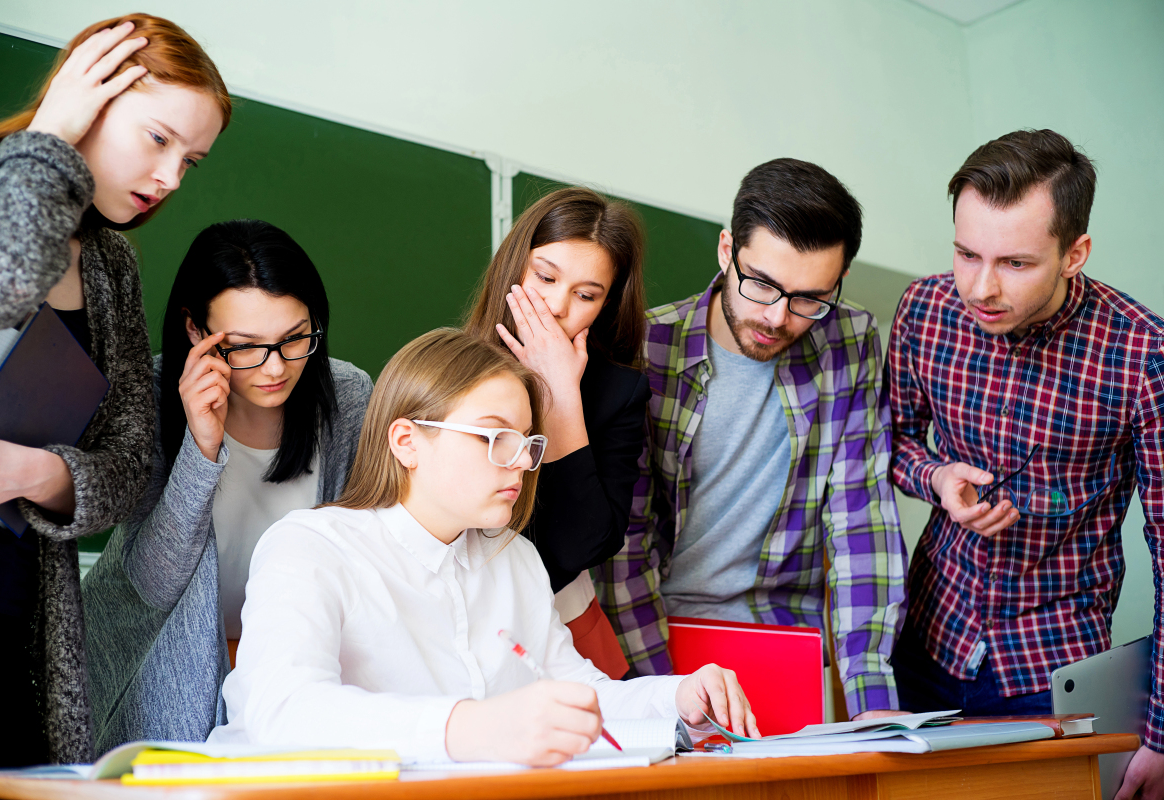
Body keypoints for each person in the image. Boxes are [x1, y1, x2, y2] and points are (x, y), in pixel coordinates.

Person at [207, 328, 757, 764]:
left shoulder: (511, 556)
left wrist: (678, 699)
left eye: (527, 442)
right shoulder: (310, 548)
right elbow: (284, 711)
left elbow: (573, 690)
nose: (520, 461)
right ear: (407, 442)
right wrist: (470, 726)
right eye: (496, 438)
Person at [0, 15, 230, 767]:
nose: (172, 178)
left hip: (18, 627)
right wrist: (49, 142)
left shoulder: (112, 264)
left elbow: (126, 463)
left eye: (193, 161)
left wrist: (38, 473)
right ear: (88, 96)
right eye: (158, 140)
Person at [887, 129, 1164, 800]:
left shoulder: (1142, 355)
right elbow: (887, 443)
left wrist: (1161, 730)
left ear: (1075, 253)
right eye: (965, 253)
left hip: (1052, 673)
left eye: (1014, 263)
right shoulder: (924, 311)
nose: (980, 287)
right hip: (924, 648)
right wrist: (936, 478)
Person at [594, 159, 907, 721]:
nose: (777, 316)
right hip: (661, 635)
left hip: (784, 640)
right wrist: (665, 695)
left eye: (810, 298)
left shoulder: (849, 338)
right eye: (760, 284)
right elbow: (626, 546)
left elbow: (863, 521)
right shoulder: (648, 348)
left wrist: (871, 702)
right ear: (725, 251)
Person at [81, 219, 373, 754]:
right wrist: (201, 446)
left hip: (288, 667)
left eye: (295, 338)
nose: (277, 366)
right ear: (196, 331)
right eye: (245, 346)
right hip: (153, 663)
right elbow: (152, 584)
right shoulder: (148, 393)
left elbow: (361, 556)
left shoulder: (349, 396)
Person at [465, 186, 648, 678]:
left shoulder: (619, 392)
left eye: (586, 295)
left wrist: (559, 397)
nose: (556, 305)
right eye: (545, 276)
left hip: (565, 625)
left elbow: (581, 548)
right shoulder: (451, 370)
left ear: (605, 306)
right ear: (514, 266)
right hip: (460, 621)